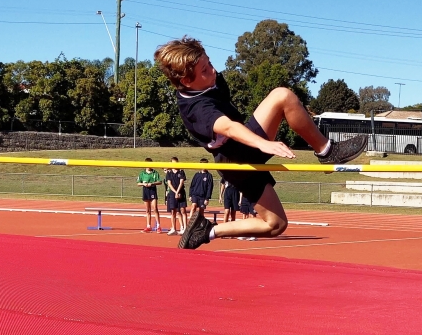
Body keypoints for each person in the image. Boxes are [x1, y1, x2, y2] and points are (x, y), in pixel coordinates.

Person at [154, 36, 367, 249]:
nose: (213, 70)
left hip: (241, 153)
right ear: (187, 82)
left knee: (275, 224)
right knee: (281, 96)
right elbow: (228, 127)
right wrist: (261, 143)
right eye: (204, 70)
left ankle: (207, 230)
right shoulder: (195, 109)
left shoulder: (209, 80)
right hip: (236, 159)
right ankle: (327, 151)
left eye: (209, 62)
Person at [137, 158, 163, 233]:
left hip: (152, 191)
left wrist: (152, 183)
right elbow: (138, 183)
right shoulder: (142, 173)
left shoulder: (155, 173)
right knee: (147, 210)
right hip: (145, 191)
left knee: (155, 208)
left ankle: (158, 226)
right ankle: (148, 226)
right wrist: (143, 184)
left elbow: (160, 182)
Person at [164, 157, 187, 235]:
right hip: (172, 193)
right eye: (173, 163)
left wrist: (178, 192)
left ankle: (185, 228)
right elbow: (169, 184)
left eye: (176, 163)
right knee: (173, 211)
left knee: (183, 210)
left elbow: (181, 182)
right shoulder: (169, 172)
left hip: (181, 192)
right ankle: (173, 228)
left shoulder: (181, 171)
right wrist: (175, 192)